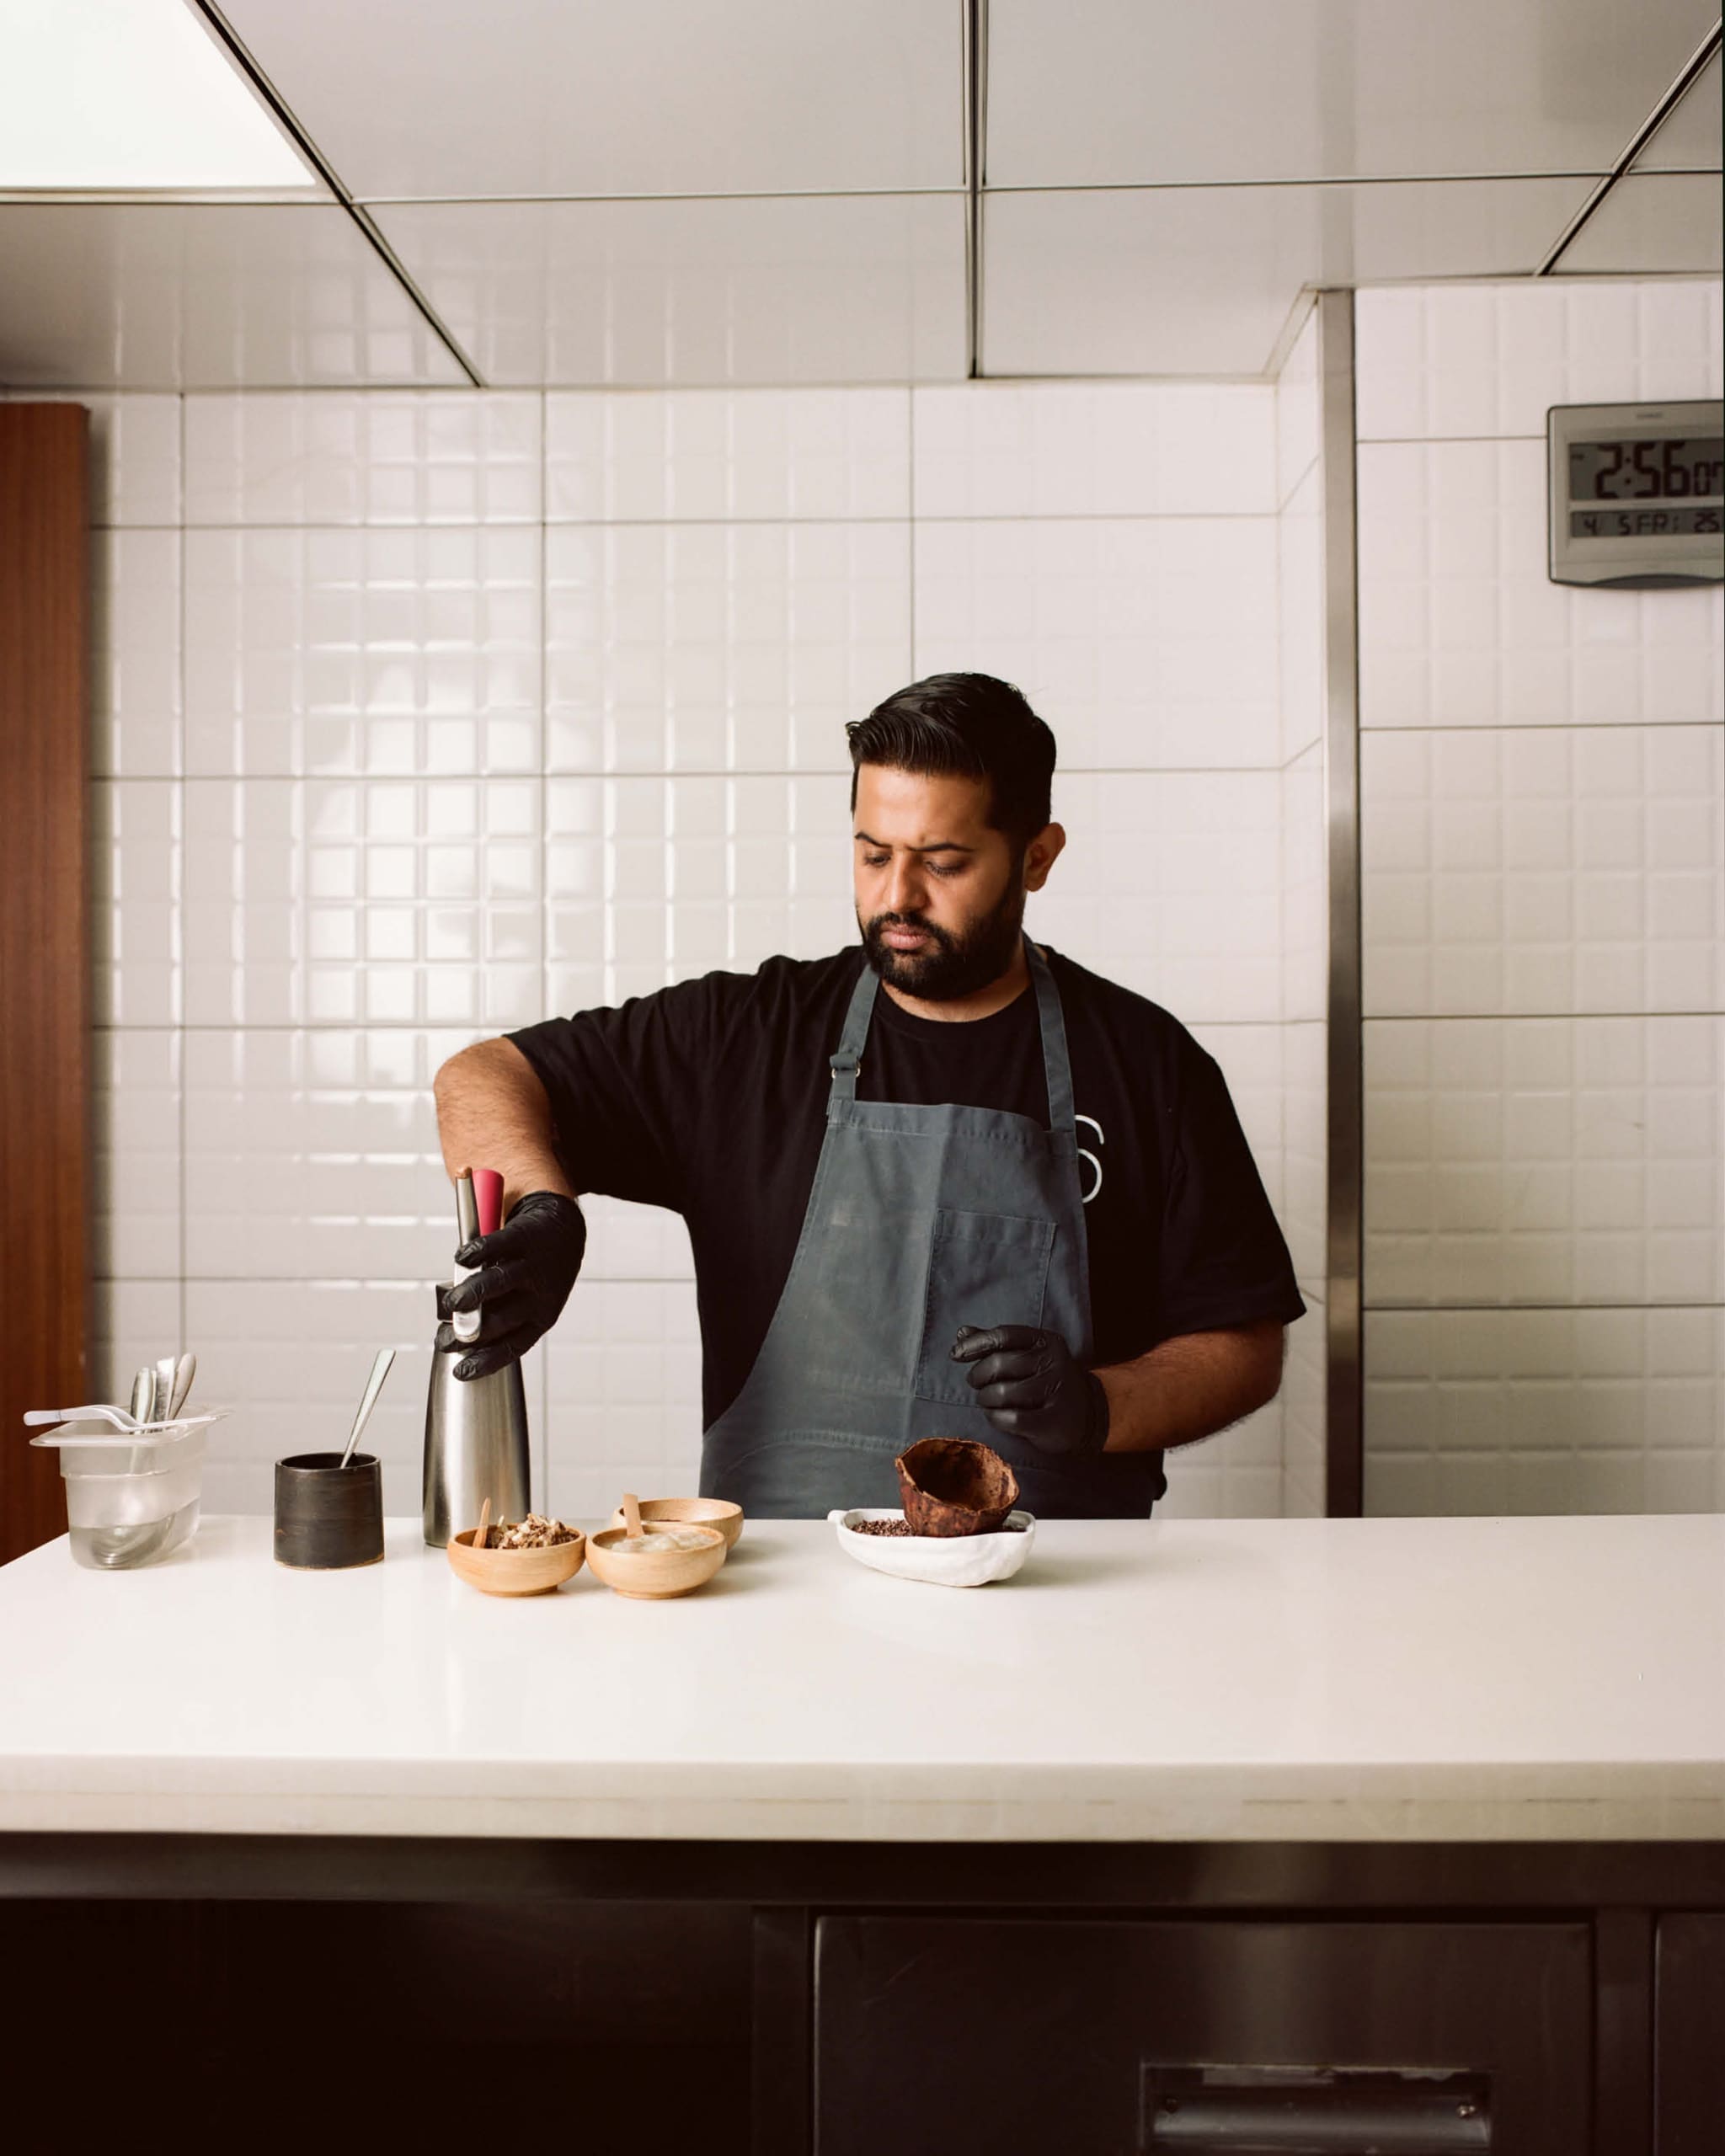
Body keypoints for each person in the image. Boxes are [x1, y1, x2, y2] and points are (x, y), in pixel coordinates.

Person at [432, 673, 1305, 1518]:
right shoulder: (746, 1038)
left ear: (1035, 857)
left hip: (1062, 1602)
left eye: (944, 861)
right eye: (872, 853)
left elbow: (1241, 1344)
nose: (897, 895)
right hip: (787, 1606)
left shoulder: (1146, 1062)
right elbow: (483, 1074)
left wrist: (1099, 1405)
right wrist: (542, 1205)